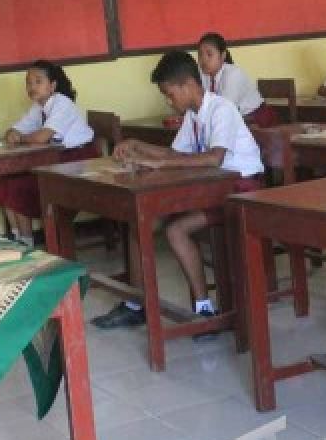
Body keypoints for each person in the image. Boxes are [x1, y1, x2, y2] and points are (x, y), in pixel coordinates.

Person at [91, 51, 264, 339]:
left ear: (187, 86)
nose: (168, 101)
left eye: (169, 94)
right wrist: (138, 146)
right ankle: (136, 304)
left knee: (176, 230)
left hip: (239, 189)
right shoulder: (193, 115)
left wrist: (159, 164)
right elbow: (176, 153)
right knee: (140, 224)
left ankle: (203, 308)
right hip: (207, 188)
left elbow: (214, 158)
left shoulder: (222, 109)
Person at [0, 61, 98, 246]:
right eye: (28, 82)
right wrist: (13, 133)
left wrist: (21, 138)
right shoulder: (39, 107)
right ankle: (18, 237)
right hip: (58, 158)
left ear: (53, 85)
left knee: (20, 185)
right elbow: (15, 130)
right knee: (7, 180)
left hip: (80, 158)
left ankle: (27, 243)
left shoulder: (62, 103)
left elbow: (42, 137)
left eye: (38, 81)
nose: (32, 87)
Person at [196, 32, 278, 127]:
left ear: (222, 56)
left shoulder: (233, 74)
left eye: (209, 55)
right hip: (228, 120)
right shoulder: (203, 74)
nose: (204, 60)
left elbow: (226, 111)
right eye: (200, 55)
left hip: (254, 121)